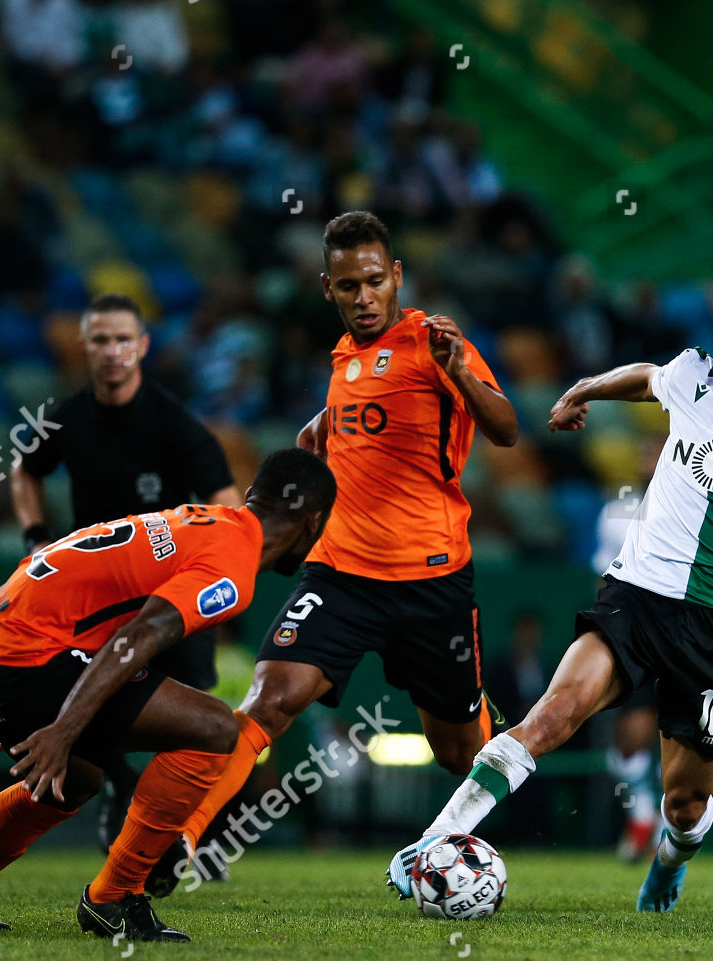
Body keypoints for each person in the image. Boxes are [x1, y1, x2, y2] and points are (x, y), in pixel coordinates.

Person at [386, 270, 713, 912]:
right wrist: (584, 389)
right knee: (548, 718)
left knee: (685, 802)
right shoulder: (694, 375)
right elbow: (644, 376)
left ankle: (670, 858)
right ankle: (434, 842)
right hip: (635, 596)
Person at [146, 211, 518, 894]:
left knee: (459, 749)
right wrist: (320, 429)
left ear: (396, 276)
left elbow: (506, 429)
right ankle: (184, 836)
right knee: (271, 695)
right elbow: (358, 421)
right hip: (342, 572)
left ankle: (461, 823)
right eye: (348, 286)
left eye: (375, 281)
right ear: (328, 288)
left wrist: (459, 370)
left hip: (431, 581)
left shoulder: (432, 341)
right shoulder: (343, 358)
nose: (364, 296)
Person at [0, 449, 335, 941]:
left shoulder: (209, 522)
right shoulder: (232, 565)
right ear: (314, 524)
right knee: (214, 727)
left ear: (252, 496)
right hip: (29, 652)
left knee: (72, 783)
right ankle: (115, 897)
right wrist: (62, 729)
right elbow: (137, 637)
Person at [11, 292, 241, 850]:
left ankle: (184, 834)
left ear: (141, 346)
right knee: (95, 704)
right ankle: (121, 795)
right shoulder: (65, 417)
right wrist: (36, 537)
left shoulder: (173, 422)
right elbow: (24, 470)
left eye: (121, 340)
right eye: (99, 340)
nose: (111, 351)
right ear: (83, 347)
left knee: (196, 717)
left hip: (171, 596)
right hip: (98, 601)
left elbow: (228, 502)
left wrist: (218, 568)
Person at [593, 434, 665, 861]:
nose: (648, 459)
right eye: (644, 451)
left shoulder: (700, 504)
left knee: (683, 735)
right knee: (628, 737)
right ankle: (642, 815)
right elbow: (602, 576)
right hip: (634, 632)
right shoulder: (617, 511)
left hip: (689, 632)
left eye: (656, 450)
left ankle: (672, 828)